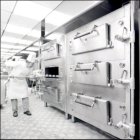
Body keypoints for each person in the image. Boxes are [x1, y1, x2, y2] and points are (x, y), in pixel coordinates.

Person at [5, 52, 36, 117]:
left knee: (25, 95)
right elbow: (7, 63)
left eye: (32, 64)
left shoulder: (31, 67)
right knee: (13, 97)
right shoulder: (20, 63)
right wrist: (10, 73)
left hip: (22, 81)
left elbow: (29, 74)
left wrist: (32, 76)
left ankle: (26, 110)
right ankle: (14, 111)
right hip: (14, 81)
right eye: (29, 63)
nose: (30, 65)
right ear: (27, 61)